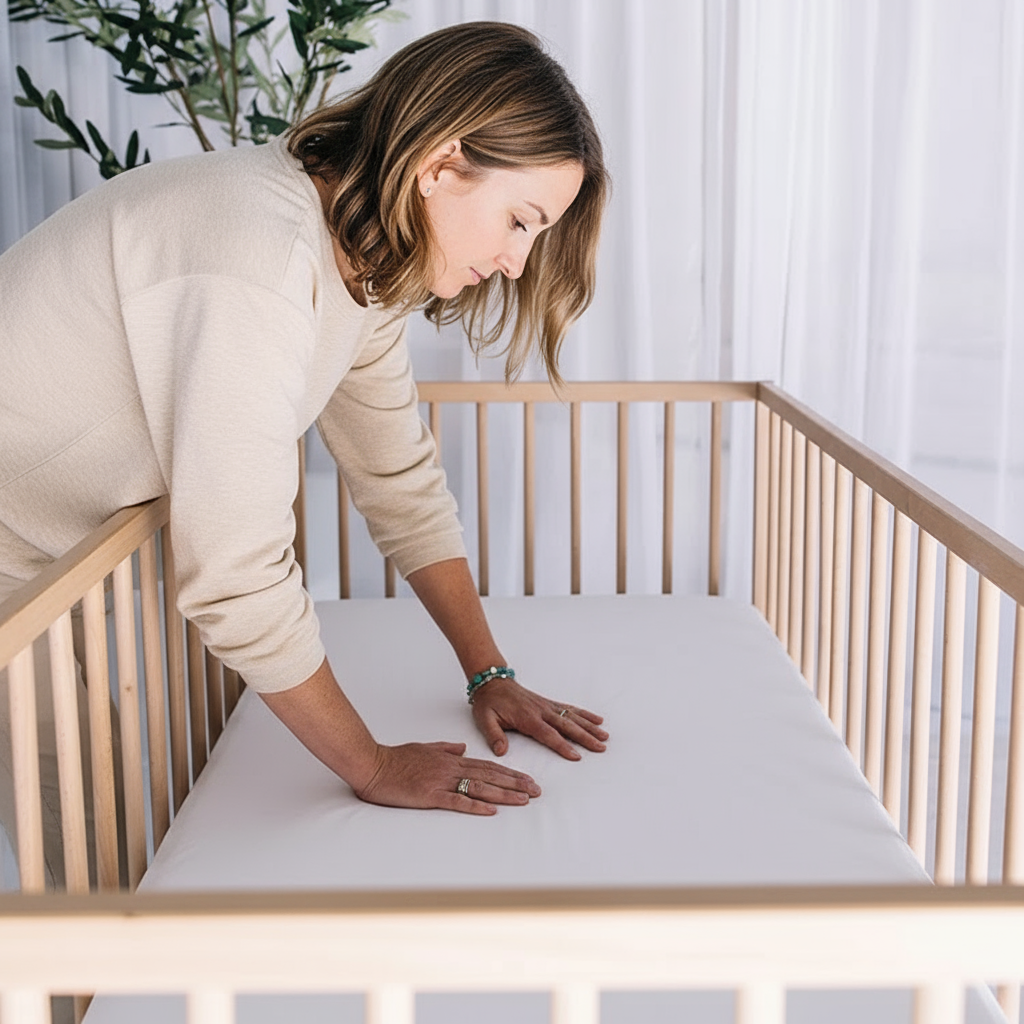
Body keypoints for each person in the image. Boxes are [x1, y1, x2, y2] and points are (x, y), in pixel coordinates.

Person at [0, 20, 611, 886]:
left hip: (49, 554)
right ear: (440, 165)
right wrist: (370, 764)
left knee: (101, 848)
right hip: (15, 556)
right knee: (87, 858)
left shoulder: (358, 262)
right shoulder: (260, 251)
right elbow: (238, 573)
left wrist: (489, 671)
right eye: (520, 221)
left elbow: (397, 478)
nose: (517, 262)